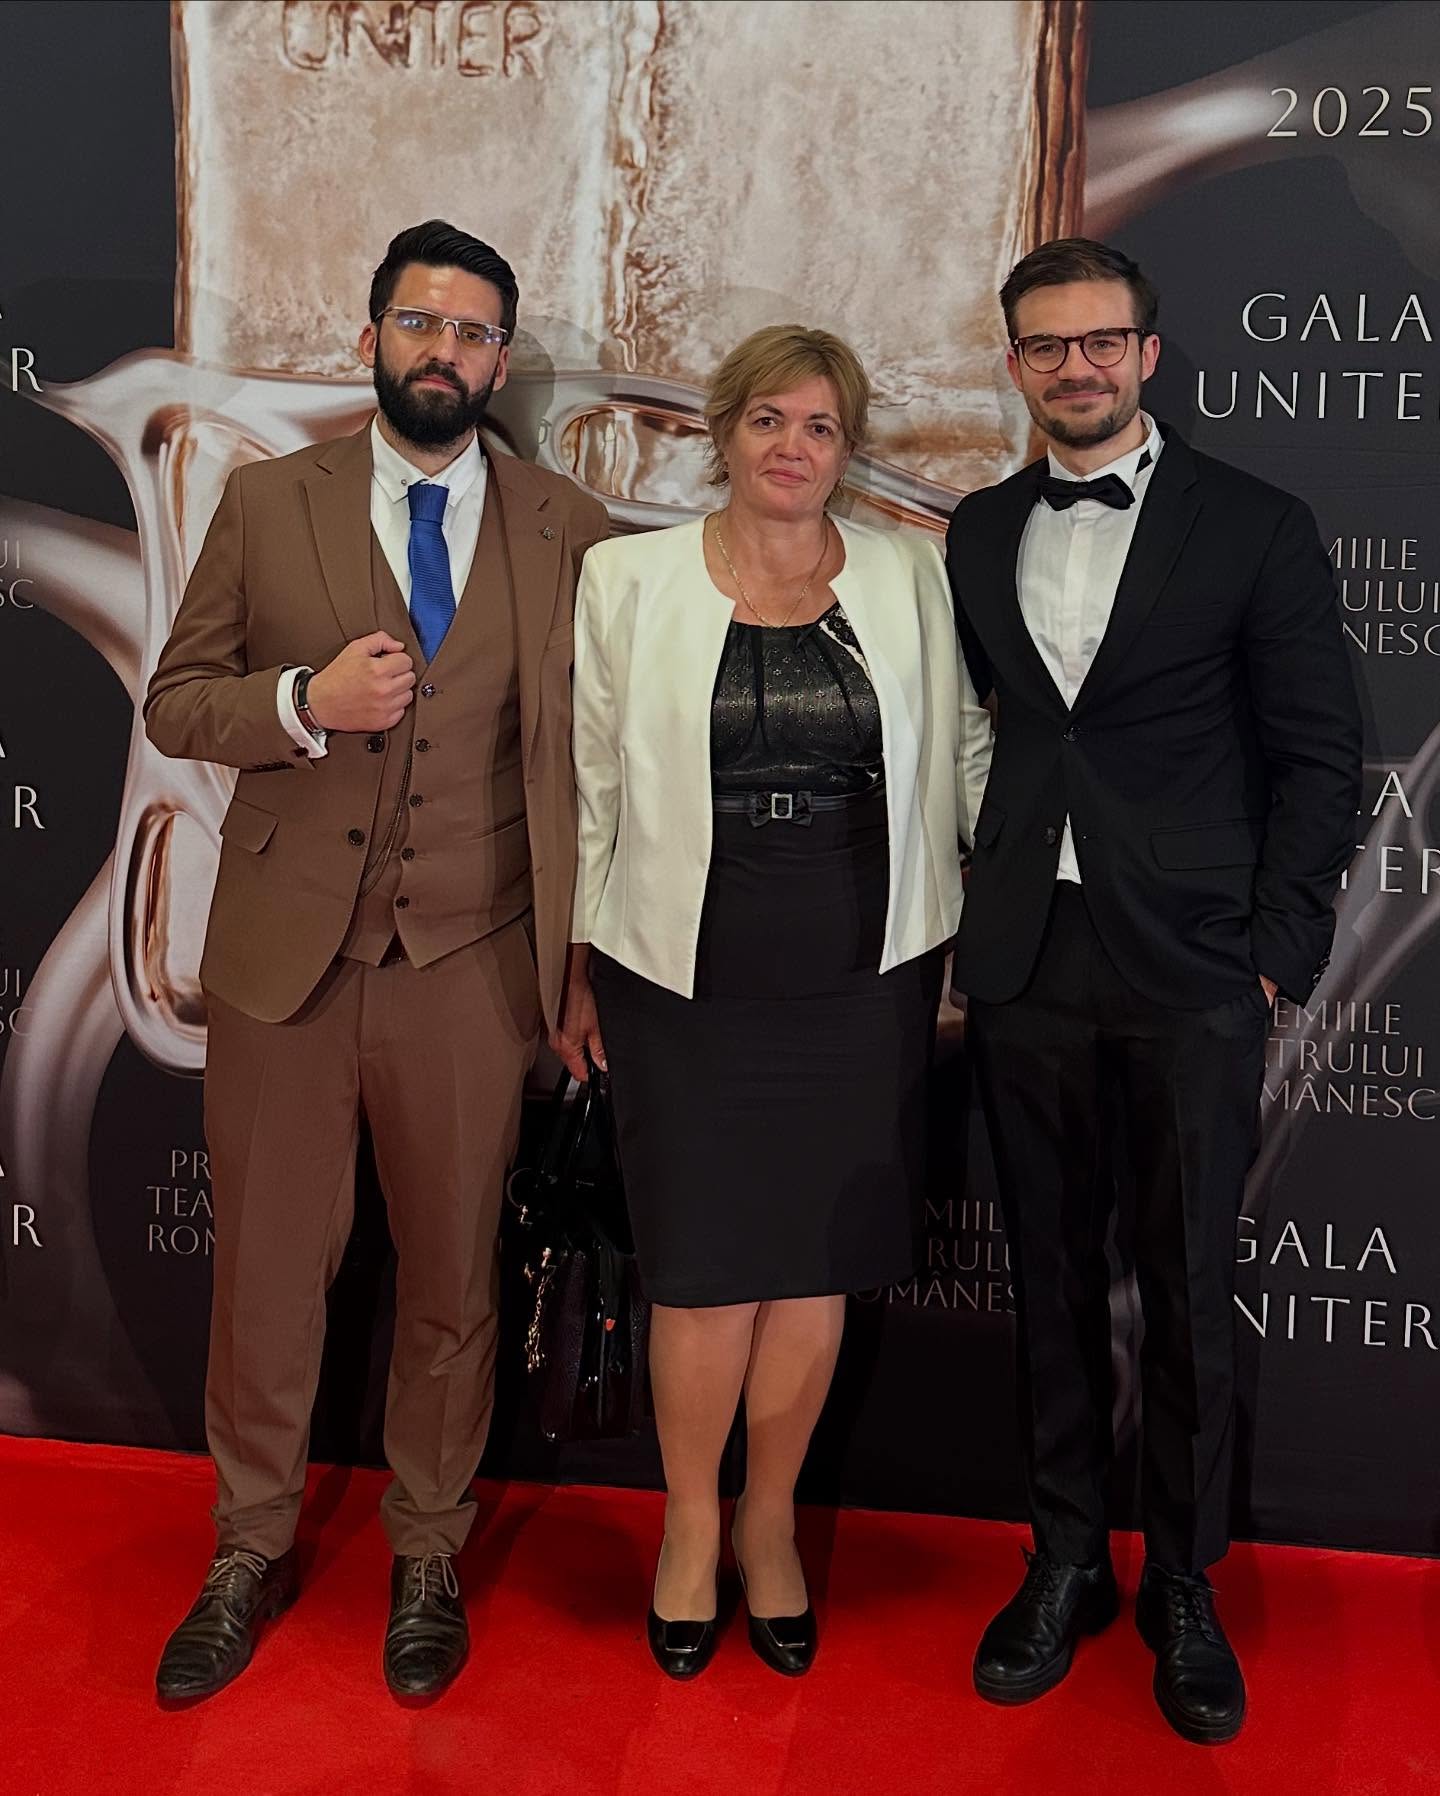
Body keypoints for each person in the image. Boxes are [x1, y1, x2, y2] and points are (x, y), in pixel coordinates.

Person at [144, 219, 609, 1703]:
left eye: (473, 332)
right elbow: (177, 702)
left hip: (473, 964)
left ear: (500, 361)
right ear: (370, 338)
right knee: (268, 1280)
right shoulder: (266, 501)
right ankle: (247, 1546)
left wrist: (582, 965)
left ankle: (427, 1550)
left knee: (455, 1280)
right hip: (286, 960)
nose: (444, 352)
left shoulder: (567, 525)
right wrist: (301, 700)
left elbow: (599, 766)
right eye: (420, 322)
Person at [945, 238, 1362, 1744]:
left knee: (1186, 1280)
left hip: (1193, 961)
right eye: (1047, 346)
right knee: (1048, 1275)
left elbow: (1320, 753)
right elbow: (992, 731)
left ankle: (1183, 1578)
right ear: (1015, 364)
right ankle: (1064, 1556)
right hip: (1027, 955)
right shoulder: (980, 529)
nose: (1077, 368)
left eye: (1101, 342)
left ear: (1149, 354)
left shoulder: (1253, 522)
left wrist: (1278, 948)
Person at [554, 324, 990, 1680]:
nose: (792, 447)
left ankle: (770, 1520)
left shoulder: (912, 572)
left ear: (846, 449)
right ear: (723, 432)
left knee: (811, 1262)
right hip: (681, 968)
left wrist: (1030, 890)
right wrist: (575, 963)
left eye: (819, 426)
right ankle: (690, 1526)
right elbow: (593, 784)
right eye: (768, 420)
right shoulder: (626, 577)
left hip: (863, 967)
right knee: (700, 1270)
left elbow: (965, 747)